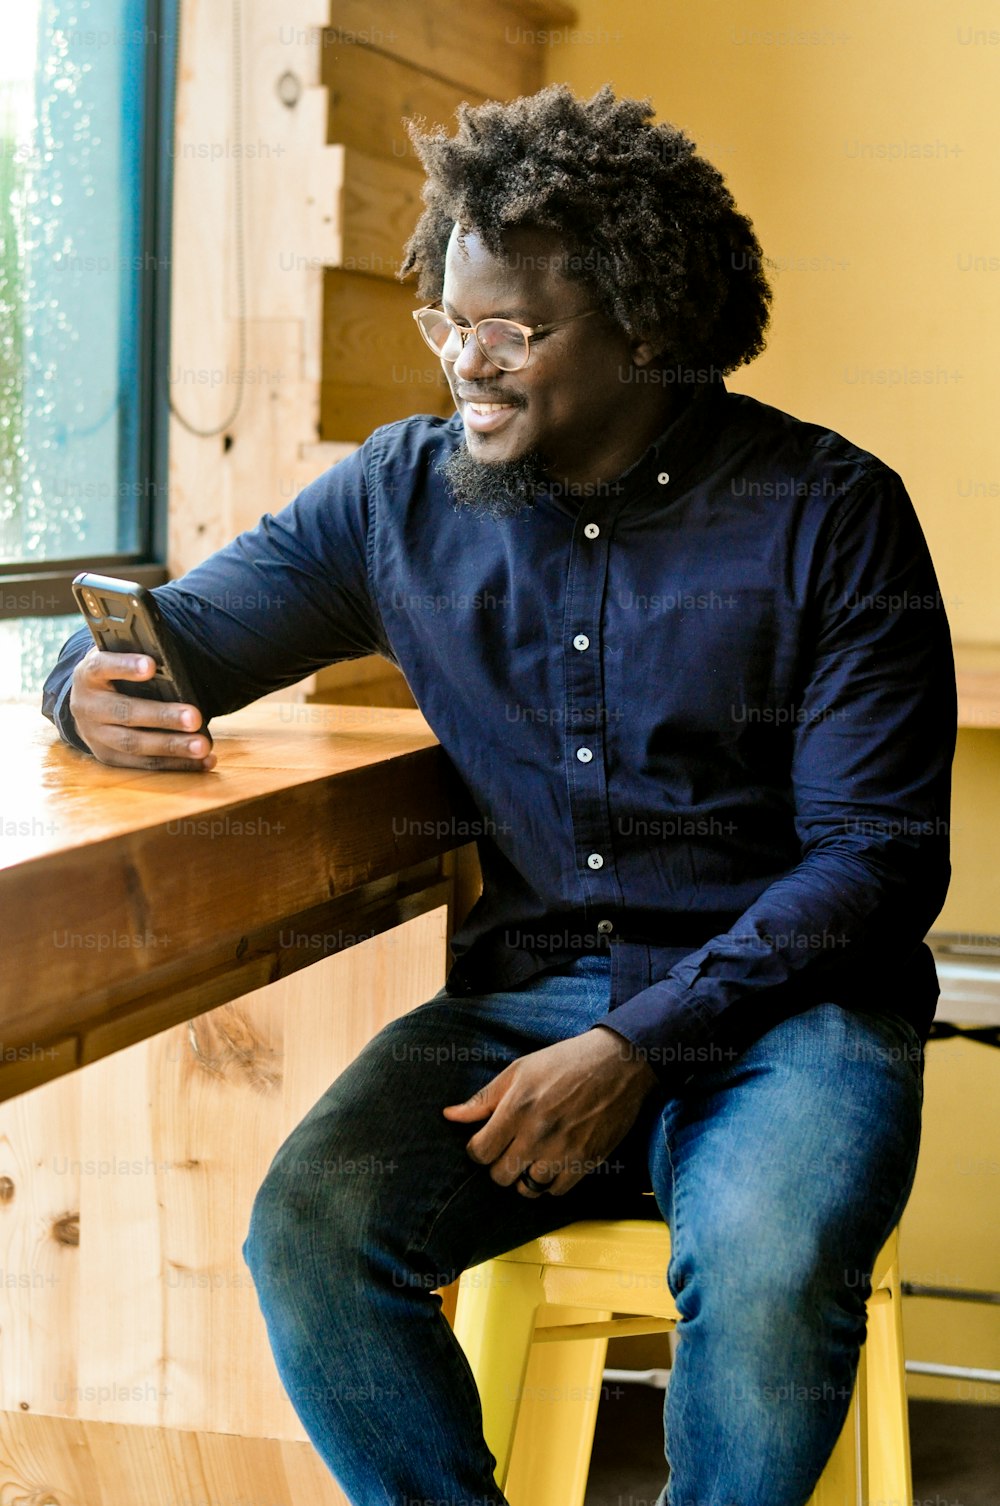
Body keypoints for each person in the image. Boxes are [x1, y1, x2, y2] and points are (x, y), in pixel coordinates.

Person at [42, 84, 955, 1506]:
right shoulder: (399, 498)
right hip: (525, 1001)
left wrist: (640, 1046)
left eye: (509, 332)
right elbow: (182, 640)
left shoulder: (831, 515)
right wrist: (84, 682)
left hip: (793, 1015)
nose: (467, 362)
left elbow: (878, 863)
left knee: (770, 1261)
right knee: (315, 1225)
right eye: (447, 323)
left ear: (649, 324)